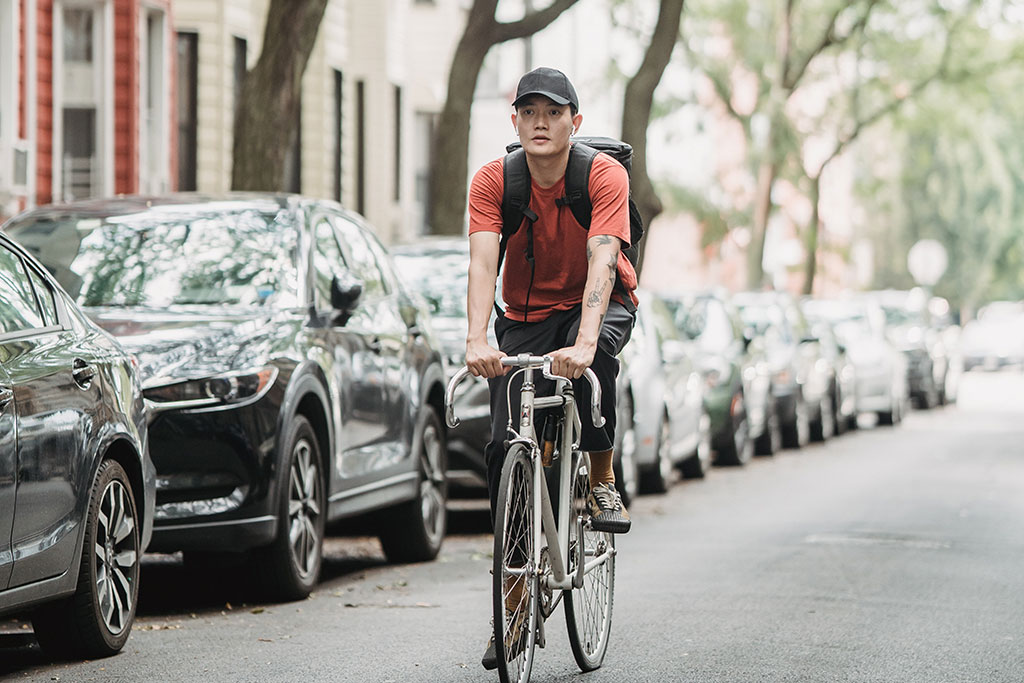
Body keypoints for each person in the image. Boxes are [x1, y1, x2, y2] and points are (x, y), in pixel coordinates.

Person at [464, 66, 638, 669]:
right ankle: (510, 611)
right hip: (527, 316)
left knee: (595, 368)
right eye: (529, 112)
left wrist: (586, 343)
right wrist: (475, 338)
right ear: (514, 121)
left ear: (575, 122)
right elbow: (484, 262)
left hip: (598, 303)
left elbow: (603, 258)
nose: (541, 122)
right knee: (506, 446)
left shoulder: (602, 175)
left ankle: (602, 478)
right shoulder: (494, 181)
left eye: (554, 112)